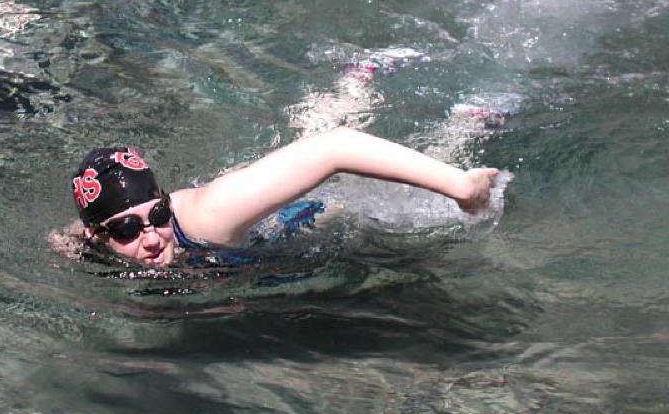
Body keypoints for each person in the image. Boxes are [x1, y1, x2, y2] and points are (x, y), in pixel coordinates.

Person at [64, 128, 500, 268]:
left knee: (428, 188)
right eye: (125, 228)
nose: (153, 236)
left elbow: (336, 147)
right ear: (97, 235)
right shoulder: (86, 243)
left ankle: (475, 120)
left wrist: (460, 187)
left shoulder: (210, 217)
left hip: (325, 209)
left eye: (157, 213)